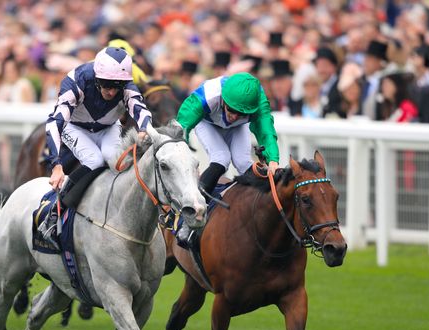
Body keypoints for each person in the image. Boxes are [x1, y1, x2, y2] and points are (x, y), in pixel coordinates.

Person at [38, 47, 153, 246]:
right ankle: (54, 213)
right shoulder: (76, 81)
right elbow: (54, 124)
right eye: (107, 85)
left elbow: (142, 111)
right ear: (98, 78)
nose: (112, 91)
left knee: (116, 162)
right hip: (74, 127)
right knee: (94, 159)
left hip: (108, 127)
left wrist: (144, 128)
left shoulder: (127, 87)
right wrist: (56, 165)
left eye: (118, 87)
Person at [173, 72, 280, 247]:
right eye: (232, 109)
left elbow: (266, 130)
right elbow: (182, 126)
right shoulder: (208, 94)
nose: (235, 116)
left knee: (244, 163)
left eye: (241, 113)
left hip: (238, 129)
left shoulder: (258, 101)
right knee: (221, 158)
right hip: (207, 123)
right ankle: (189, 220)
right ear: (223, 98)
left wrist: (273, 160)